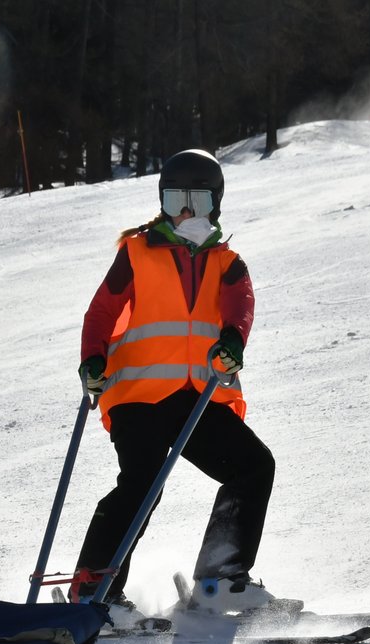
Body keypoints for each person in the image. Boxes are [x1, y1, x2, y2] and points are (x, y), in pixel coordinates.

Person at [68, 148, 280, 617]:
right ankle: (93, 593)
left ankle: (221, 579)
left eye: (198, 201)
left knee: (252, 467)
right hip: (139, 395)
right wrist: (93, 359)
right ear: (162, 202)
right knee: (142, 482)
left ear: (216, 205)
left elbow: (239, 308)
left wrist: (232, 340)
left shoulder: (227, 262)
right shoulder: (137, 253)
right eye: (176, 199)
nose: (186, 212)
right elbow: (102, 311)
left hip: (196, 398)